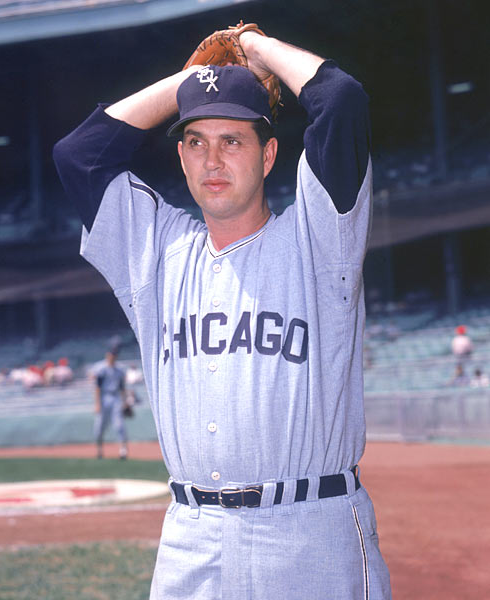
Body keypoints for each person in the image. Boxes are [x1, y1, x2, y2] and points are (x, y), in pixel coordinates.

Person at [54, 26, 391, 599]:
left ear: (269, 153)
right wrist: (193, 85)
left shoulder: (318, 239)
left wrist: (253, 50)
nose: (212, 158)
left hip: (310, 530)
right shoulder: (155, 253)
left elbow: (342, 100)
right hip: (192, 537)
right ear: (181, 157)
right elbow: (79, 155)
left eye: (233, 141)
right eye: (196, 141)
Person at [93, 350, 128, 459]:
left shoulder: (119, 370)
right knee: (99, 427)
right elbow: (98, 388)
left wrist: (124, 401)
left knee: (119, 425)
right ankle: (99, 450)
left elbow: (122, 387)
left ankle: (123, 450)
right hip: (104, 398)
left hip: (116, 397)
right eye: (110, 355)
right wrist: (97, 404)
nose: (112, 357)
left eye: (114, 355)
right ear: (107, 356)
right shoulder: (101, 369)